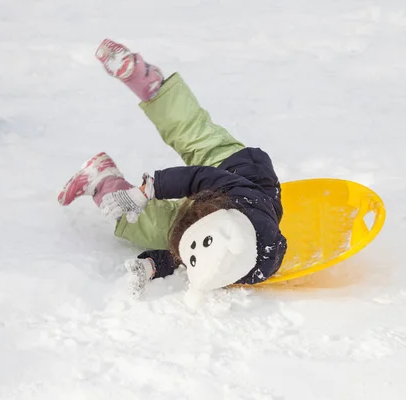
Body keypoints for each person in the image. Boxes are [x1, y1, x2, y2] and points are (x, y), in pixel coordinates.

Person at [58, 39, 287, 296]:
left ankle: (102, 179)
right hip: (237, 170)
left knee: (149, 226)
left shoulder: (232, 266)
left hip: (209, 213)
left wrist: (152, 265)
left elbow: (183, 255)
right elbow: (199, 177)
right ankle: (147, 82)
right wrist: (148, 190)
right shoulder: (250, 207)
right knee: (192, 135)